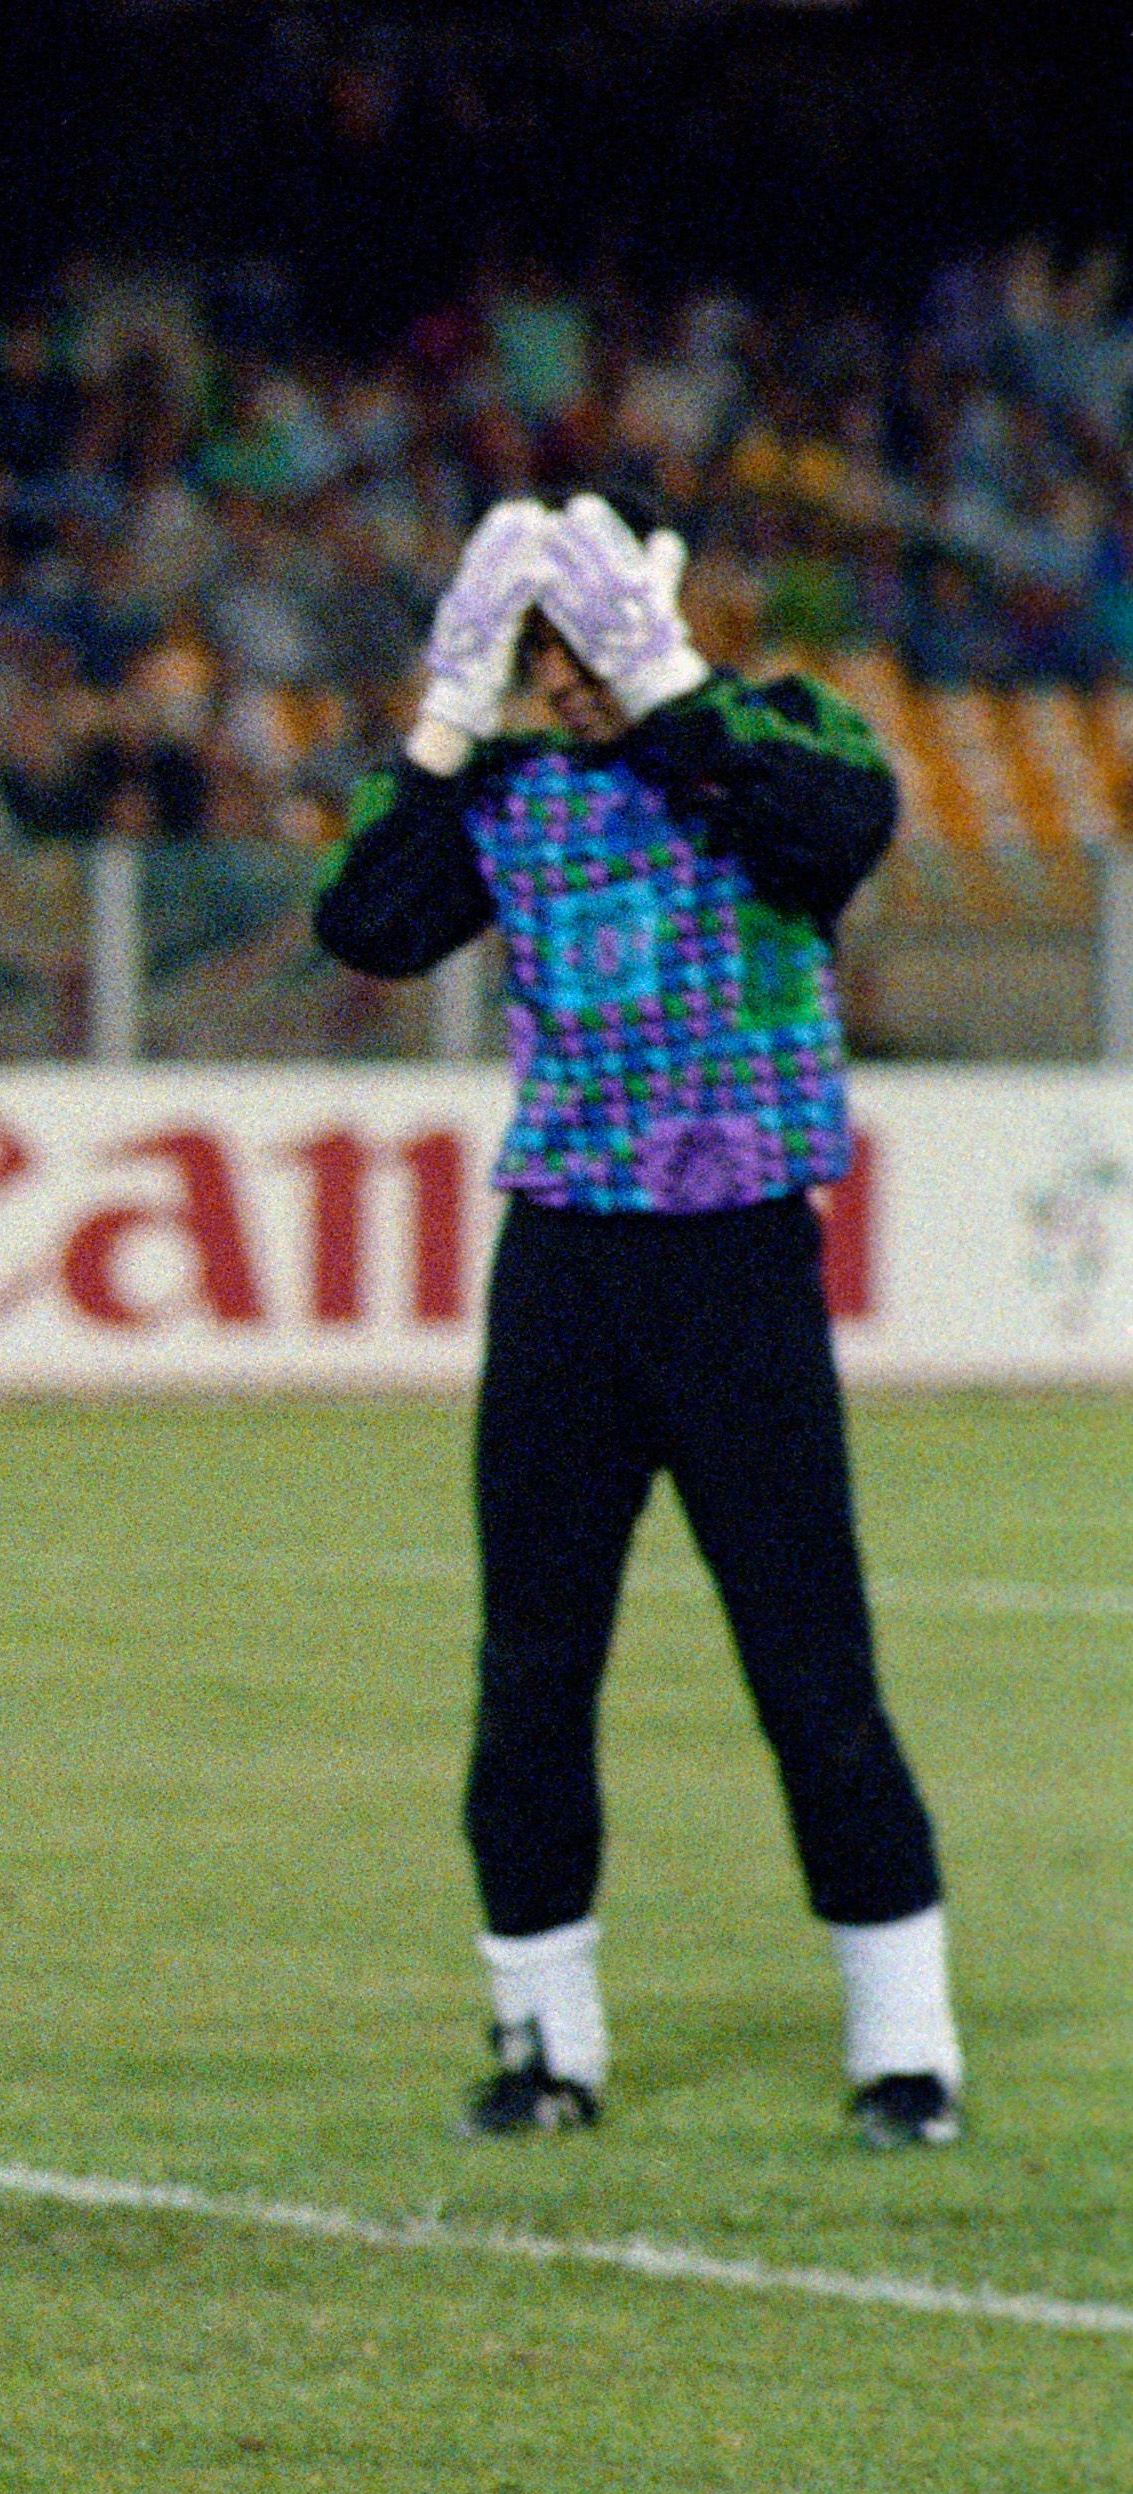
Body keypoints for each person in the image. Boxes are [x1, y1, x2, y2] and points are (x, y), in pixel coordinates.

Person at [313, 493, 965, 2150]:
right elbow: (365, 921)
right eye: (543, 654)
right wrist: (445, 720)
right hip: (566, 1266)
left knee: (809, 1666)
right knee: (531, 1669)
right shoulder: (513, 793)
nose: (568, 681)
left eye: (577, 646)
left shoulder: (767, 738)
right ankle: (546, 2036)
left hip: (736, 1253)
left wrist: (671, 688)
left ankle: (906, 2042)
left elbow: (841, 826)